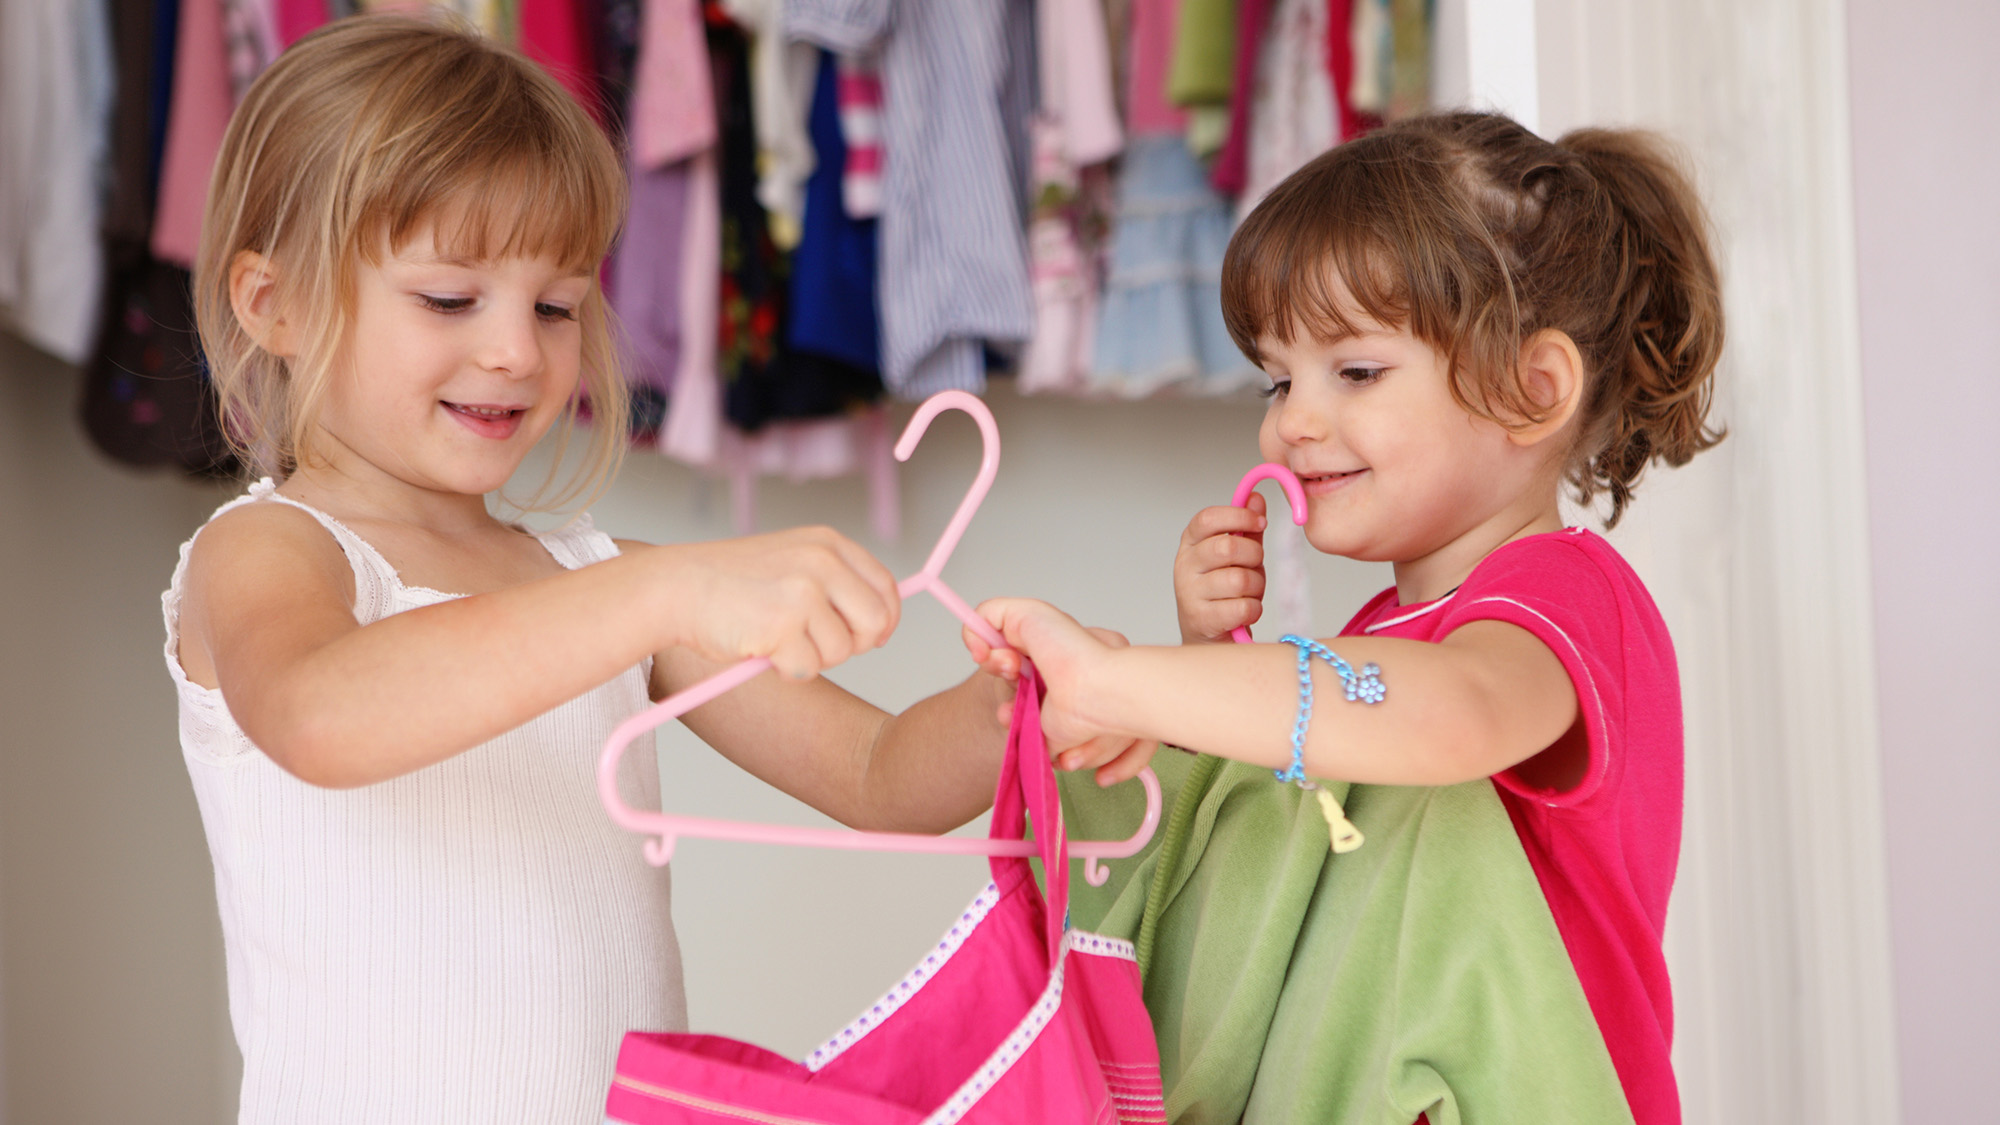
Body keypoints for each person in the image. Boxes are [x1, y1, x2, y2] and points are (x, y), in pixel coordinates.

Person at [161, 15, 1140, 1123]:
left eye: (556, 305)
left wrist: (1010, 703)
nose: (515, 351)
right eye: (449, 299)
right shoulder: (269, 549)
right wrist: (660, 591)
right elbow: (319, 718)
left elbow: (879, 777)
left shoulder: (595, 579)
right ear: (271, 304)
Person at [968, 110, 1723, 1125]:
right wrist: (1203, 669)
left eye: (1354, 372)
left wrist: (1131, 682)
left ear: (1532, 391)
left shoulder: (1563, 595)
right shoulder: (1375, 633)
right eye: (1277, 379)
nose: (1291, 420)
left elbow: (1444, 718)